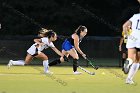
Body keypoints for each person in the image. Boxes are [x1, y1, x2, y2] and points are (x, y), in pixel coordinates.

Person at [122, 12, 140, 84]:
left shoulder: (135, 16)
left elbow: (124, 26)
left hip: (132, 38)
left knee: (130, 58)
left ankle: (128, 62)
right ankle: (129, 79)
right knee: (137, 60)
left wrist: (126, 37)